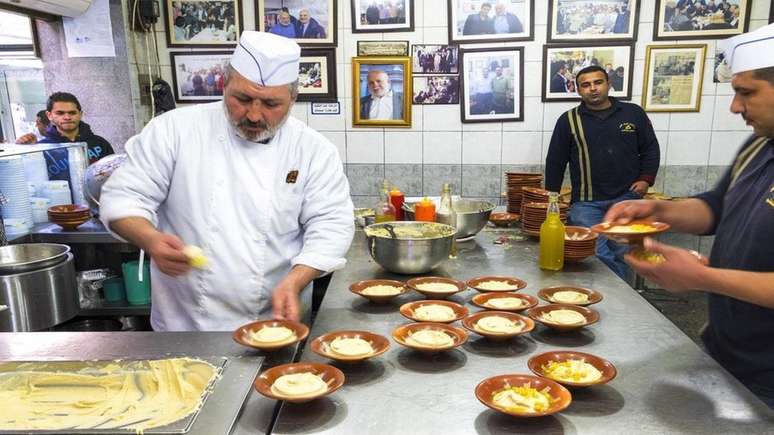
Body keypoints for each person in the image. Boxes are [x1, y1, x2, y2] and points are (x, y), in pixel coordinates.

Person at [99, 31, 354, 331]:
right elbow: (121, 199)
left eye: (271, 104)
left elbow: (332, 223)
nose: (255, 115)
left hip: (276, 322)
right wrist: (151, 240)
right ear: (224, 84)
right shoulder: (173, 131)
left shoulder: (313, 149)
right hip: (188, 324)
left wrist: (296, 279)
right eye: (243, 99)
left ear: (293, 98)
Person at [605, 23, 774, 408]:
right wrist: (658, 210)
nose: (735, 106)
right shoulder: (759, 145)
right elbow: (715, 207)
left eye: (746, 93)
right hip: (725, 350)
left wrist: (702, 277)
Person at [544, 65, 660, 280]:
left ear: (608, 84)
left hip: (627, 198)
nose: (593, 89)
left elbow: (650, 148)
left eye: (598, 82)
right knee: (595, 253)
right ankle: (615, 298)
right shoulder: (569, 120)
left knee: (623, 253)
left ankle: (621, 304)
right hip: (586, 204)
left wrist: (646, 180)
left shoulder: (633, 113)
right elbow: (555, 160)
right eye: (586, 85)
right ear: (578, 90)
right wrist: (552, 196)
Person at [38, 92, 114, 180]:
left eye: (72, 113)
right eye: (60, 113)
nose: (67, 117)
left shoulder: (100, 143)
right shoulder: (42, 149)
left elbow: (115, 176)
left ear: (80, 114)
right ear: (49, 115)